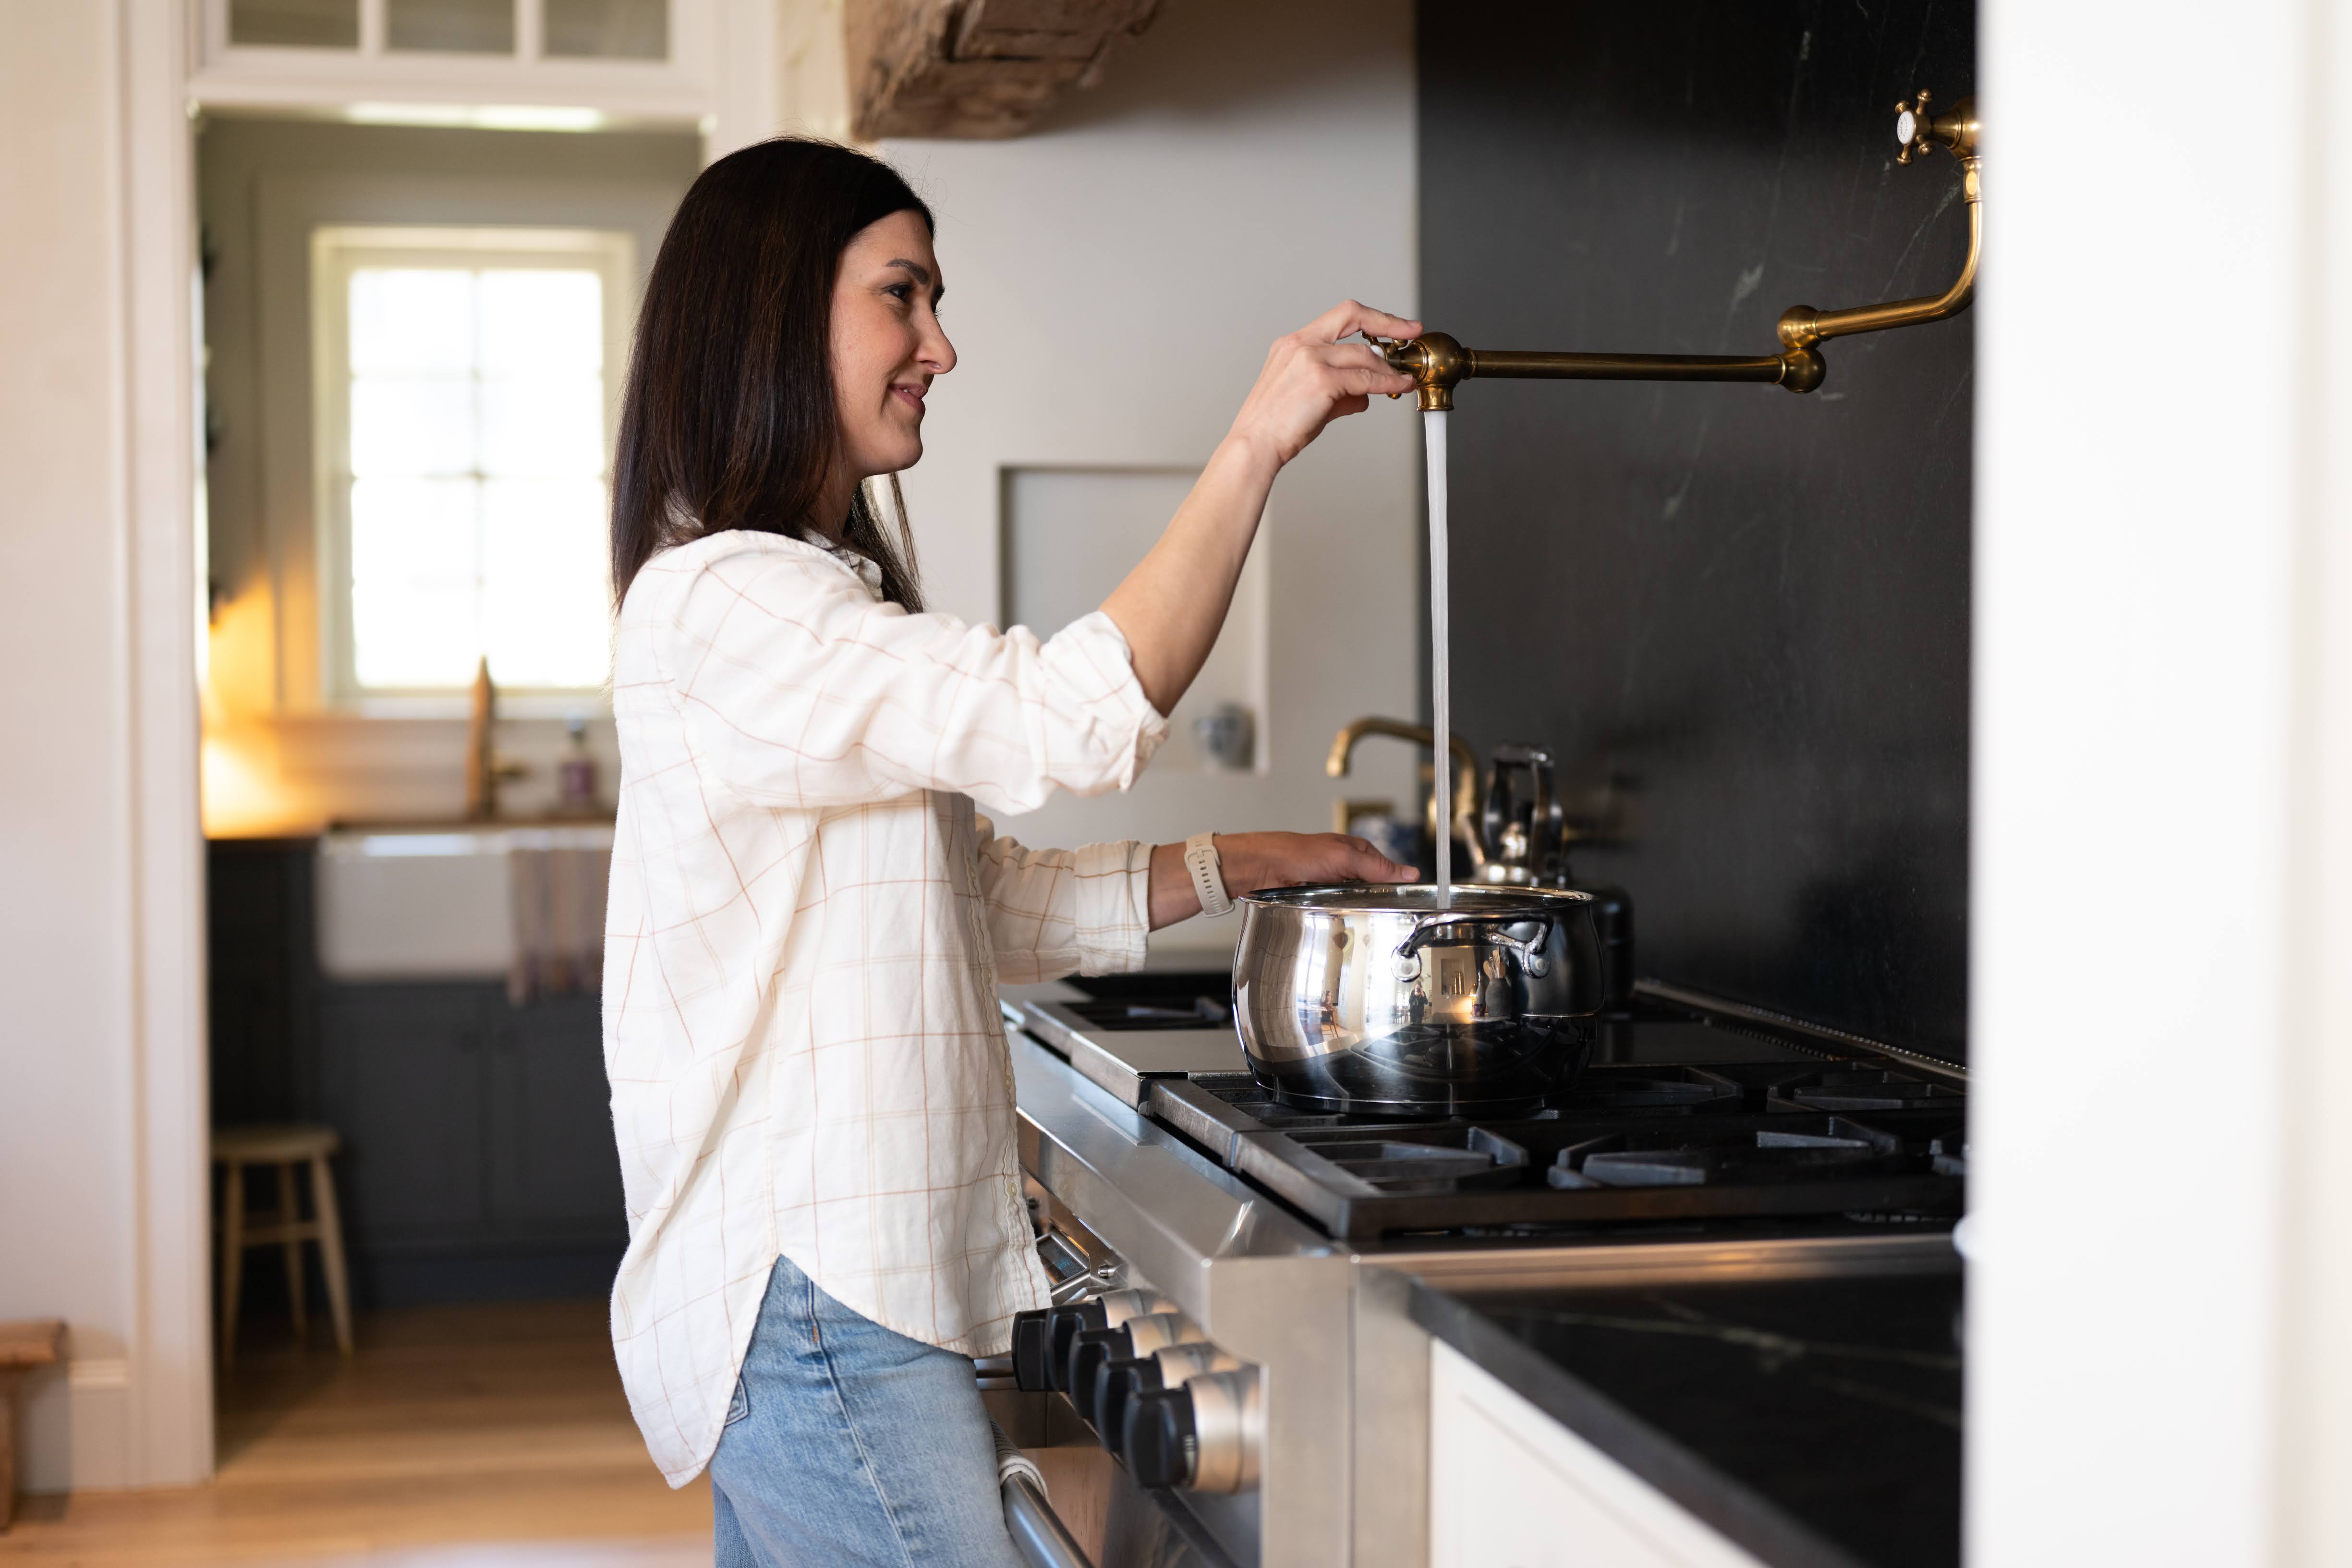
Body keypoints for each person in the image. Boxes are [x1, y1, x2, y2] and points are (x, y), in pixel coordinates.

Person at [602, 136, 1419, 1567]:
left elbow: (969, 900)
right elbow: (1067, 720)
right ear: (775, 313)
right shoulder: (728, 603)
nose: (941, 345)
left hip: (814, 1304)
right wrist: (1259, 436)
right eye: (901, 297)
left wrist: (1245, 861)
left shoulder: (791, 597)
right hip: (816, 1307)